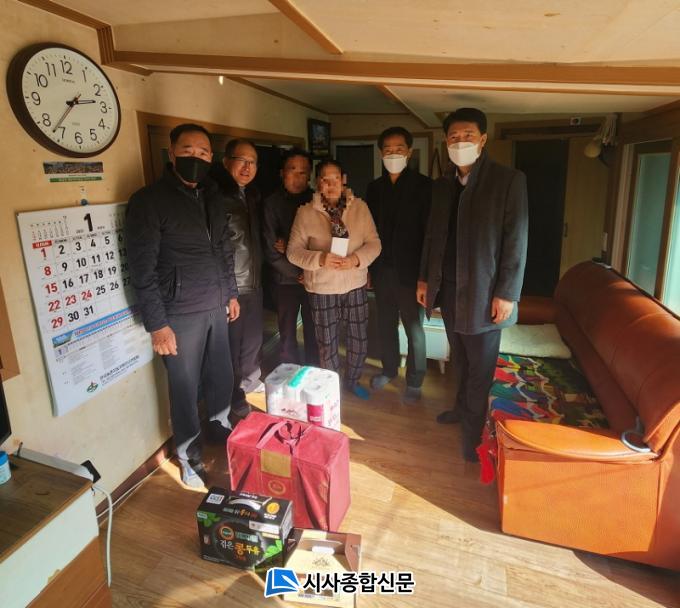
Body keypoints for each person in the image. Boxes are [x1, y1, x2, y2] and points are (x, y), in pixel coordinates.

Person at [126, 123, 240, 488]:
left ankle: (221, 429)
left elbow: (223, 249)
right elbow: (141, 269)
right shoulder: (148, 201)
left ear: (211, 157)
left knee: (221, 375)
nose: (196, 157)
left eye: (203, 152)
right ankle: (189, 457)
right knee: (185, 388)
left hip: (216, 304)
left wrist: (230, 293)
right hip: (178, 313)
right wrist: (158, 325)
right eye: (188, 150)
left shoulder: (212, 195)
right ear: (172, 153)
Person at [417, 108, 528, 462]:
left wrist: (507, 294)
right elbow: (432, 236)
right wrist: (424, 278)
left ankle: (473, 433)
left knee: (481, 367)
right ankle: (461, 410)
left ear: (482, 139)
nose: (460, 142)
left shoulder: (507, 180)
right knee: (460, 358)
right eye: (454, 137)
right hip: (449, 289)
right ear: (446, 141)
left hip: (485, 292)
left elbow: (516, 240)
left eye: (467, 136)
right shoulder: (442, 185)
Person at [287, 159, 381, 399]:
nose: (331, 185)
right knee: (326, 343)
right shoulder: (305, 212)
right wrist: (320, 258)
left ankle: (353, 380)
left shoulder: (360, 208)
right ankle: (332, 387)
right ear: (317, 183)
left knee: (358, 339)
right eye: (325, 180)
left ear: (344, 180)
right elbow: (293, 252)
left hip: (355, 285)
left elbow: (374, 243)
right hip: (322, 288)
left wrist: (356, 259)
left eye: (335, 179)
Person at [367, 127, 431, 403]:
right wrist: (369, 269)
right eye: (388, 150)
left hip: (412, 274)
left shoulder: (425, 187)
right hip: (382, 270)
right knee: (385, 323)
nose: (393, 154)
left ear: (409, 152)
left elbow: (430, 235)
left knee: (414, 327)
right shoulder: (374, 188)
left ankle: (415, 381)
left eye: (399, 149)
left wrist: (426, 276)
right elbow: (368, 232)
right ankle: (389, 369)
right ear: (381, 154)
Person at [216, 139, 264, 414]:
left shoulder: (252, 195)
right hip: (232, 286)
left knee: (253, 340)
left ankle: (250, 382)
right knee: (232, 346)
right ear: (226, 162)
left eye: (252, 162)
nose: (247, 167)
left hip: (254, 282)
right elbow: (216, 248)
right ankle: (234, 396)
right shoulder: (216, 197)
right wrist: (228, 292)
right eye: (241, 160)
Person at [262, 147, 319, 365]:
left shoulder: (316, 201)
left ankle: (314, 370)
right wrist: (298, 274)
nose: (297, 177)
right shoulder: (271, 203)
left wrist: (289, 248)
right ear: (281, 172)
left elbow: (323, 241)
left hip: (314, 278)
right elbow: (270, 250)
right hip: (284, 280)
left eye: (303, 172)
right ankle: (290, 370)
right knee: (286, 332)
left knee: (314, 329)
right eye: (292, 170)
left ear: (310, 175)